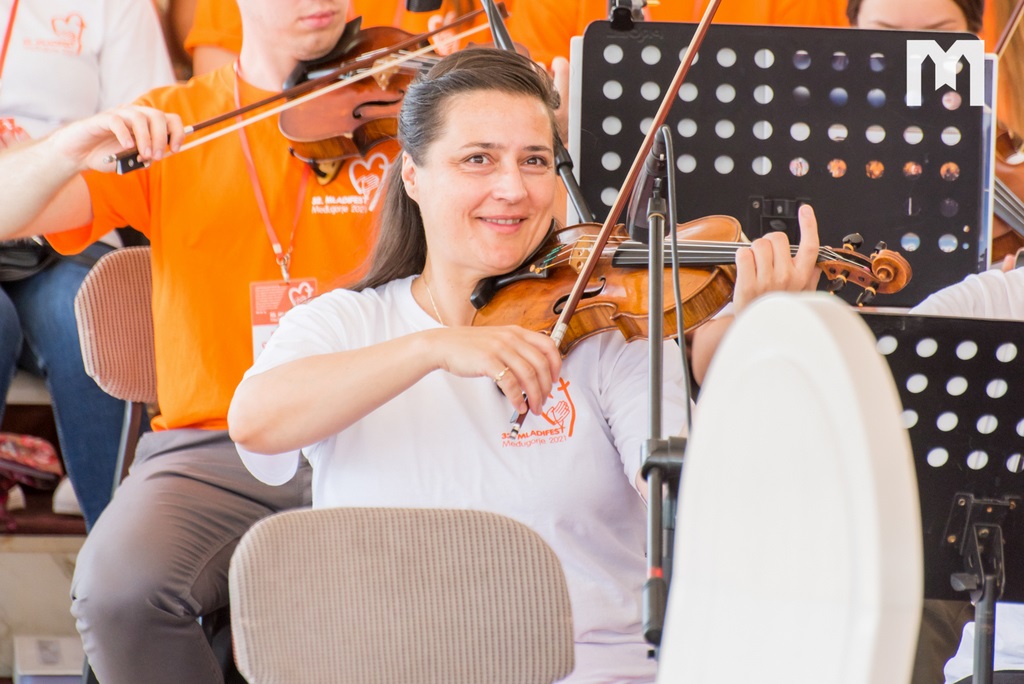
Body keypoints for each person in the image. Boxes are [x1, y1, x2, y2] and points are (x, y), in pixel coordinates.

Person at [228, 47, 821, 682]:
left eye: (535, 160)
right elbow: (255, 421)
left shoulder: (608, 329)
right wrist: (432, 348)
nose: (513, 189)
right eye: (478, 159)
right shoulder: (345, 323)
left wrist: (761, 344)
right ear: (412, 176)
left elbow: (703, 503)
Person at [0, 0, 399, 680]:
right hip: (214, 445)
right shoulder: (178, 121)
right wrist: (66, 151)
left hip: (382, 429)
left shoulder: (405, 112)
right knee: (117, 593)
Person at [0, 0, 175, 528]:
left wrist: (47, 160)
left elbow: (150, 138)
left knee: (92, 319)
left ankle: (117, 537)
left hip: (68, 230)